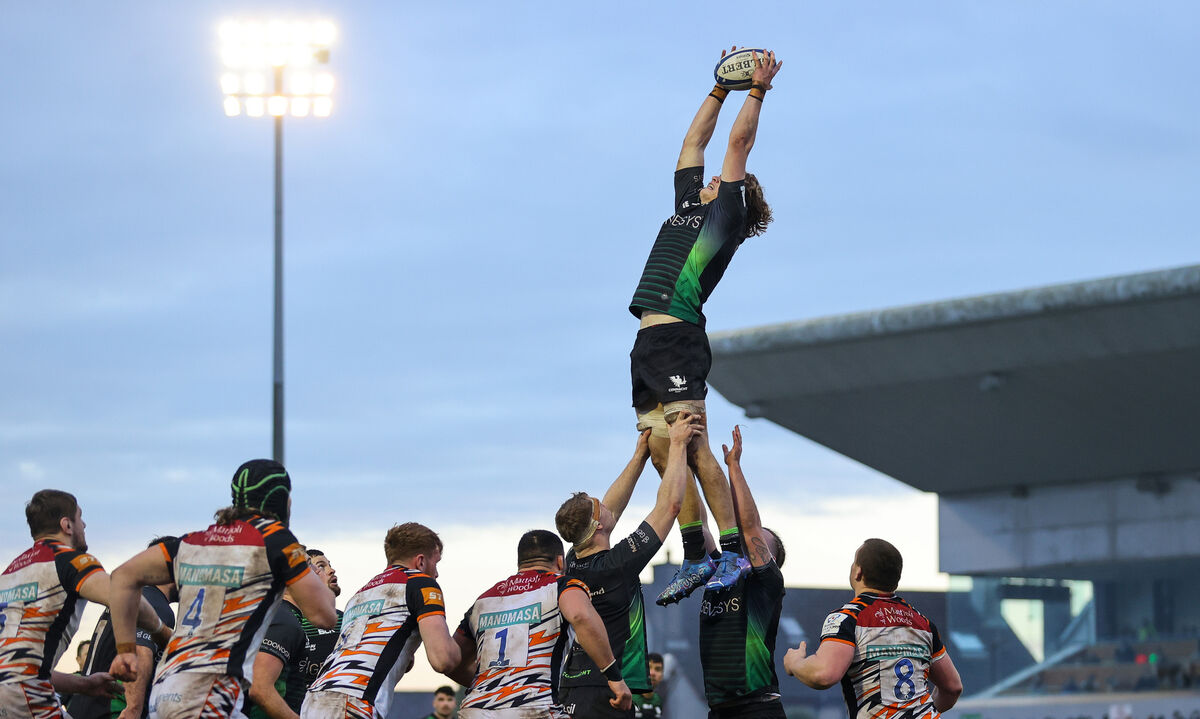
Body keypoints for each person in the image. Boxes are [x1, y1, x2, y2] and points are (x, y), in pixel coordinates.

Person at [627, 48, 782, 602]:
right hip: (647, 340)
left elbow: (737, 144)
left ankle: (735, 552)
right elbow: (694, 143)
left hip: (679, 338)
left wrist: (756, 90)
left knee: (694, 444)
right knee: (663, 449)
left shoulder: (728, 212)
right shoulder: (692, 205)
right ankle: (697, 554)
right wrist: (718, 88)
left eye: (725, 178)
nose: (713, 174)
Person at [107, 459, 337, 719]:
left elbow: (121, 576)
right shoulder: (276, 540)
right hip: (209, 694)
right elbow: (325, 616)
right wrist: (312, 571)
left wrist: (125, 650)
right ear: (283, 500)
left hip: (167, 688)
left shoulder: (196, 541)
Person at [554, 414, 700, 717]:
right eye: (600, 508)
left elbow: (611, 508)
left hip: (573, 684)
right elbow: (669, 506)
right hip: (609, 688)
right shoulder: (616, 564)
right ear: (597, 527)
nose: (607, 506)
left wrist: (639, 457)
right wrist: (676, 446)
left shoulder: (573, 561)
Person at [0, 490, 171, 718]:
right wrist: (164, 633)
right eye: (80, 517)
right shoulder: (68, 560)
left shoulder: (10, 573)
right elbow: (124, 596)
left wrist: (84, 685)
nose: (85, 524)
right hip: (26, 695)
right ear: (67, 525)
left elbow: (18, 664)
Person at [449, 530, 632, 718]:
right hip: (533, 708)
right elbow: (580, 616)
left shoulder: (484, 600)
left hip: (475, 710)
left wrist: (496, 686)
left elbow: (450, 661)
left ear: (520, 563)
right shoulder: (561, 585)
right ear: (560, 562)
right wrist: (614, 677)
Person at [784, 538, 964, 717]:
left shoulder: (848, 618)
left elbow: (823, 675)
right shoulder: (922, 623)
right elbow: (952, 688)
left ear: (858, 572)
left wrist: (795, 663)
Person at [302, 523, 459, 719]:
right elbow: (443, 660)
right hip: (354, 700)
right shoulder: (421, 583)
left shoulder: (361, 594)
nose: (436, 573)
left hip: (315, 699)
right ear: (420, 561)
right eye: (436, 563)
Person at [691, 426, 787, 718]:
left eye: (758, 544)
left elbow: (749, 527)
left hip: (758, 708)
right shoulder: (722, 569)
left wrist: (733, 466)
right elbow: (700, 526)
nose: (747, 544)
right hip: (719, 710)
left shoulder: (767, 583)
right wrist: (689, 464)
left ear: (770, 559)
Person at [69, 537, 179, 719]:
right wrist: (133, 709)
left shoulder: (132, 597)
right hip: (113, 710)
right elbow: (141, 651)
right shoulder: (156, 602)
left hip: (84, 706)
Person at [296, 549, 344, 690]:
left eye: (329, 565)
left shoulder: (346, 619)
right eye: (321, 566)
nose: (331, 570)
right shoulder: (293, 619)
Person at [635, 653, 663, 719]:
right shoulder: (626, 697)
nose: (652, 673)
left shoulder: (659, 701)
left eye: (658, 669)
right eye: (648, 667)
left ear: (662, 676)